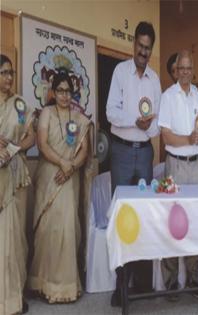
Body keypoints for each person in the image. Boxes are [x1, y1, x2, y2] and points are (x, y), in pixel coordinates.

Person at [106, 21, 161, 304]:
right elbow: (110, 112)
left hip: (145, 153)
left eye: (147, 47)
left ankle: (142, 282)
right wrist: (136, 123)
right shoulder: (119, 72)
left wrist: (147, 128)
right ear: (133, 46)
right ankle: (121, 285)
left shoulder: (154, 79)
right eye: (139, 46)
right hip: (123, 152)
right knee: (121, 216)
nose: (143, 51)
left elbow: (157, 123)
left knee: (144, 215)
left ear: (151, 49)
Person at [28, 72, 91, 303]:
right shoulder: (46, 113)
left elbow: (84, 149)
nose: (65, 95)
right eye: (61, 90)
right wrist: (62, 162)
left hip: (69, 179)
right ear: (53, 92)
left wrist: (71, 166)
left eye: (69, 91)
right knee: (48, 231)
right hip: (50, 177)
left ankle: (65, 286)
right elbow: (42, 144)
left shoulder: (78, 118)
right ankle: (42, 283)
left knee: (68, 228)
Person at [158, 50, 198, 299]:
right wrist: (189, 138)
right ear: (176, 70)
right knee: (173, 222)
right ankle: (170, 283)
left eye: (189, 68)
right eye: (182, 68)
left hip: (196, 165)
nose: (186, 72)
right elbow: (166, 136)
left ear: (193, 70)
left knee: (195, 220)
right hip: (176, 166)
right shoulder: (168, 97)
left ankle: (193, 279)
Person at [0, 54, 35, 314]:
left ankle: (15, 296)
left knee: (17, 237)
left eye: (11, 72)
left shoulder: (20, 104)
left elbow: (31, 136)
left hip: (16, 170)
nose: (9, 77)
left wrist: (13, 148)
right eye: (3, 73)